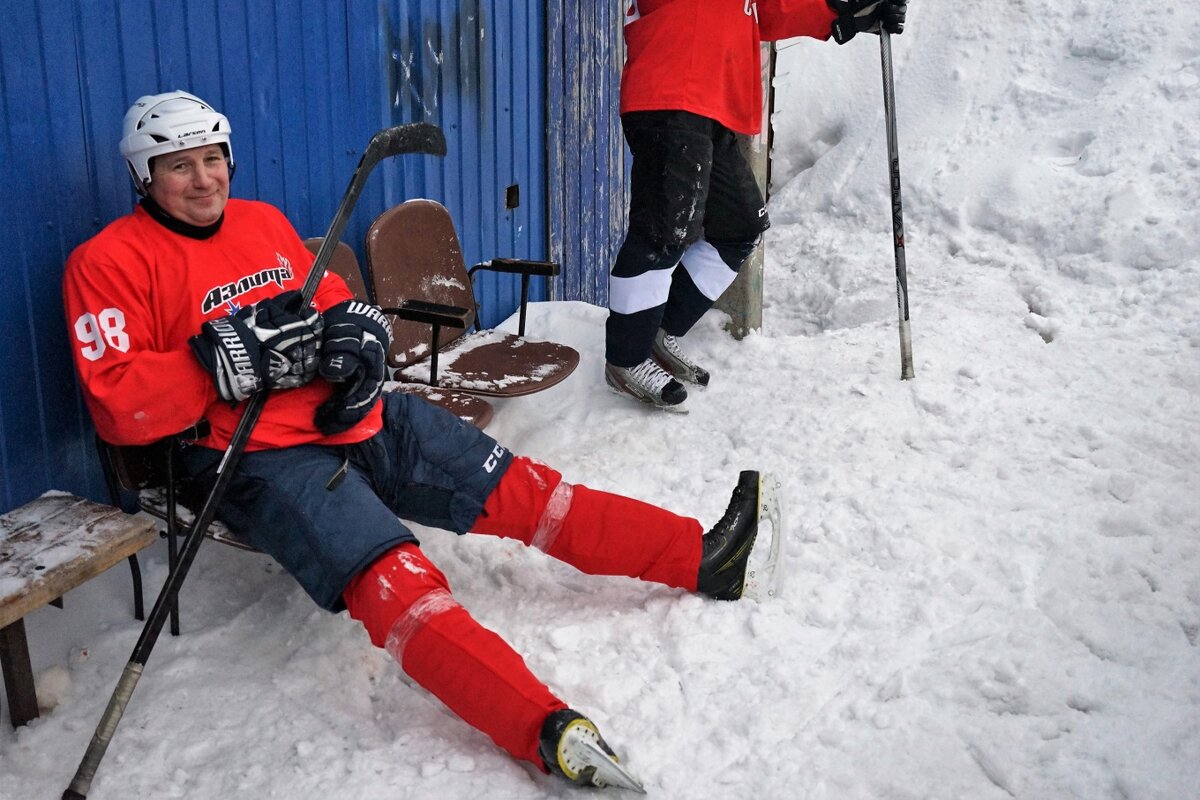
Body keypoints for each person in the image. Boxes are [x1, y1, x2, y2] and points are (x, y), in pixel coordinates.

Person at [63, 90, 768, 792]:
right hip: (252, 459)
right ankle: (546, 731)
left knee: (523, 491)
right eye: (178, 166)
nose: (202, 178)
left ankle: (701, 558)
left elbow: (333, 303)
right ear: (144, 177)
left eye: (212, 159)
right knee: (398, 581)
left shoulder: (262, 223)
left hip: (354, 416)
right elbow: (118, 405)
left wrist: (358, 339)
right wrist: (213, 364)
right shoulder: (107, 263)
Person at [605, 0, 908, 407]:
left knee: (740, 227)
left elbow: (768, 10)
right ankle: (628, 356)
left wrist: (846, 13)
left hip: (716, 100)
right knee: (665, 232)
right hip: (673, 86)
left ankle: (658, 330)